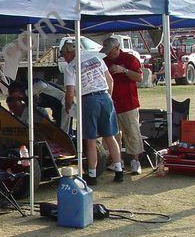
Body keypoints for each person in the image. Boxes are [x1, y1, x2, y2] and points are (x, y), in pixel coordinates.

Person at [62, 40, 123, 185]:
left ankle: (92, 174)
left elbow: (70, 93)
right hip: (105, 97)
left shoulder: (70, 68)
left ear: (71, 52)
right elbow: (110, 81)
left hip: (88, 99)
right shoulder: (96, 58)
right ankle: (119, 170)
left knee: (90, 140)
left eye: (64, 54)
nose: (64, 57)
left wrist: (68, 106)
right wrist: (108, 96)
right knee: (110, 136)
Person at [101, 37, 144, 175]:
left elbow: (139, 77)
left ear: (117, 48)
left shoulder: (130, 59)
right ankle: (117, 161)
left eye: (110, 51)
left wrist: (123, 70)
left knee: (132, 132)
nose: (108, 54)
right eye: (106, 52)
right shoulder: (105, 62)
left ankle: (135, 162)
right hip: (111, 103)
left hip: (129, 104)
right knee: (113, 134)